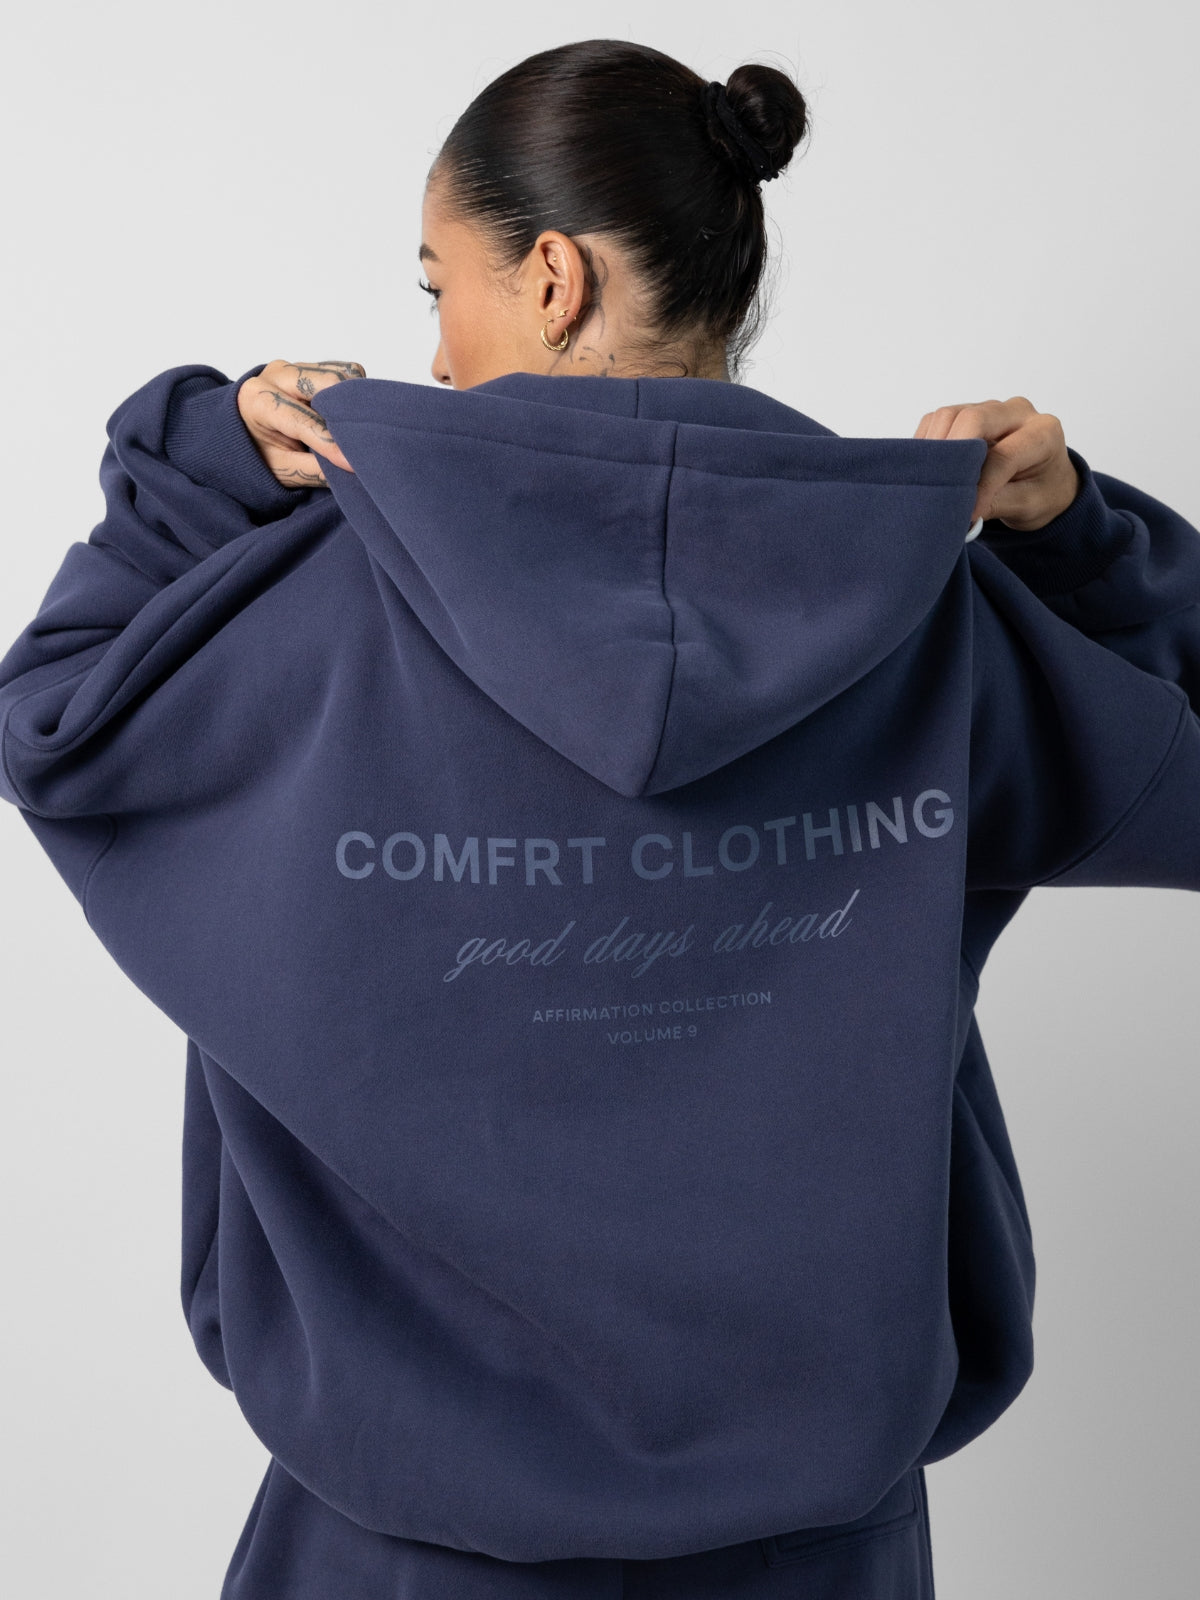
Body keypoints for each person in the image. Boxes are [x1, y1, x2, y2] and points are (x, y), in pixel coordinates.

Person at [1, 34, 1198, 1600]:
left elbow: (50, 721)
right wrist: (1078, 535)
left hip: (393, 1556)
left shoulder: (307, 612)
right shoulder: (927, 625)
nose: (435, 357)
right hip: (818, 1561)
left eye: (439, 286)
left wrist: (203, 458)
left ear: (554, 277)